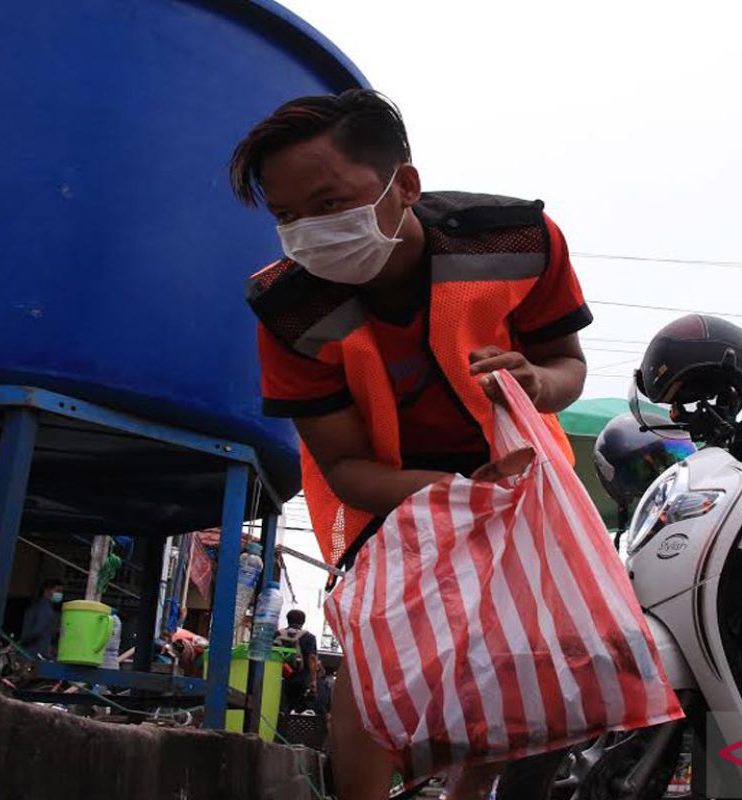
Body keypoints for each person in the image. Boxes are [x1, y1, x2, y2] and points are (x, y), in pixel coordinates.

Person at [231, 89, 591, 800]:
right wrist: (456, 493)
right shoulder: (288, 309)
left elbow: (568, 365)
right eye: (286, 216)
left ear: (406, 186)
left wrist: (537, 385)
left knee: (505, 650)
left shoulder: (519, 242)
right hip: (387, 489)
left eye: (330, 202)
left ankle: (468, 792)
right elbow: (345, 467)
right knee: (370, 648)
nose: (309, 229)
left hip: (517, 480)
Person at [276, 609, 318, 713]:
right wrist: (313, 680)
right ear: (303, 622)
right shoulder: (309, 637)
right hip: (301, 680)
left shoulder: (278, 634)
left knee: (277, 706)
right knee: (295, 710)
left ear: (288, 620)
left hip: (278, 677)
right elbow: (312, 659)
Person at [19, 578, 63, 659]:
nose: (60, 594)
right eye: (57, 591)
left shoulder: (37, 607)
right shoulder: (45, 609)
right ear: (47, 591)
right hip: (37, 652)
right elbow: (37, 631)